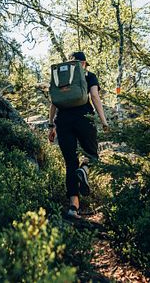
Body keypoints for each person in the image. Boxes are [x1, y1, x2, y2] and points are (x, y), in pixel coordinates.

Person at [48, 51, 108, 218]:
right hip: (84, 119)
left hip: (63, 121)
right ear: (84, 63)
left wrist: (51, 125)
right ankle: (85, 169)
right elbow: (95, 96)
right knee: (92, 154)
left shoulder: (61, 76)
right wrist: (103, 121)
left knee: (70, 163)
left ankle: (73, 208)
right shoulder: (90, 76)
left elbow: (53, 101)